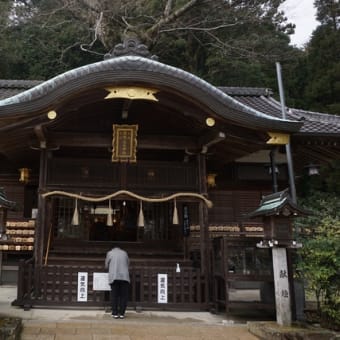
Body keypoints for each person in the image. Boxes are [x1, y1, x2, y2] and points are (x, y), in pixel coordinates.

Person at [105, 246, 130, 319]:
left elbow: (106, 265)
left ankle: (115, 313)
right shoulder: (124, 253)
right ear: (120, 248)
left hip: (114, 277)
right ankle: (122, 313)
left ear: (112, 248)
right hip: (124, 277)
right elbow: (128, 263)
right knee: (123, 296)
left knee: (114, 296)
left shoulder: (110, 253)